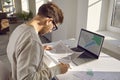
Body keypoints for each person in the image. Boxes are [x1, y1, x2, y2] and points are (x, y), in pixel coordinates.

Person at [7, 2, 69, 80]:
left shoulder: (20, 28)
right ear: (49, 21)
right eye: (54, 27)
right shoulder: (32, 41)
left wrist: (38, 50)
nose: (50, 31)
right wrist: (57, 69)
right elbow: (27, 78)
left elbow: (18, 50)